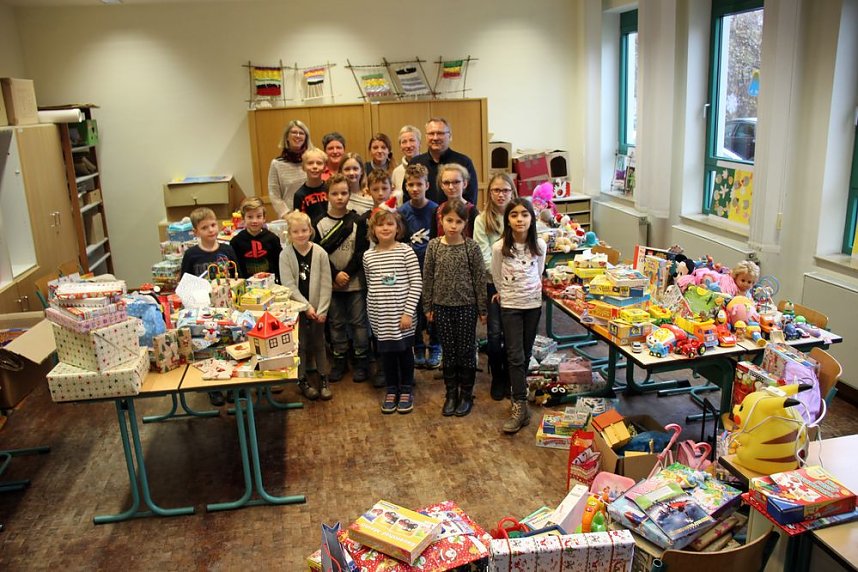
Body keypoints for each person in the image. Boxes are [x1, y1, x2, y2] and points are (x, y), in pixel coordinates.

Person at [423, 200, 487, 417]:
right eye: (449, 220)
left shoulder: (471, 247)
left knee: (466, 351)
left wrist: (482, 309)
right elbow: (428, 277)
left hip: (467, 307)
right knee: (449, 352)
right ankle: (451, 394)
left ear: (465, 223)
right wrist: (428, 305)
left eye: (458, 221)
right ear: (441, 220)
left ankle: (466, 394)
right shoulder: (434, 246)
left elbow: (479, 279)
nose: (453, 225)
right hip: (441, 307)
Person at [491, 198, 546, 434]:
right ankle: (519, 405)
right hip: (511, 305)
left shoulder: (540, 245)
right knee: (514, 355)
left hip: (532, 304)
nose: (520, 219)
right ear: (508, 220)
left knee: (524, 353)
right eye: (514, 215)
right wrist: (504, 294)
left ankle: (520, 400)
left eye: (525, 214)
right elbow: (495, 275)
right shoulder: (499, 247)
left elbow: (540, 271)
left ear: (532, 218)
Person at [363, 208, 422, 414]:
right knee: (386, 356)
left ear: (398, 228)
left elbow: (416, 283)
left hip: (403, 317)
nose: (385, 228)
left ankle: (406, 388)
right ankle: (391, 389)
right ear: (373, 229)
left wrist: (407, 312)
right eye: (380, 224)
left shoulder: (405, 251)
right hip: (381, 318)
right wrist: (373, 318)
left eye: (390, 224)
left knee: (405, 353)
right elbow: (371, 288)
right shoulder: (368, 256)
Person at [179, 207, 239, 407]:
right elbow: (184, 283)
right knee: (208, 346)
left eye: (213, 225)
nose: (211, 230)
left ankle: (233, 386)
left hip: (226, 306)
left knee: (230, 343)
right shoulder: (191, 255)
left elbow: (236, 275)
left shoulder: (227, 250)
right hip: (203, 311)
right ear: (196, 232)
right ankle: (213, 388)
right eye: (205, 227)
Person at [314, 174, 370, 382]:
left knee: (358, 324)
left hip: (354, 282)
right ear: (326, 195)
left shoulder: (357, 221)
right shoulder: (318, 223)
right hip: (331, 284)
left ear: (350, 194)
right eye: (335, 193)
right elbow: (318, 253)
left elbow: (361, 252)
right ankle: (339, 360)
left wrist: (346, 273)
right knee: (336, 324)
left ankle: (361, 361)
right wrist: (335, 274)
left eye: (344, 193)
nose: (340, 198)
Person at [280, 211, 332, 401]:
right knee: (300, 344)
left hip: (319, 309)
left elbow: (326, 284)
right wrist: (306, 306)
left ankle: (324, 377)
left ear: (310, 230)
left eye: (304, 230)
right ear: (289, 233)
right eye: (296, 231)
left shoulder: (320, 253)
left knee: (319, 342)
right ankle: (301, 379)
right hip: (297, 309)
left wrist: (322, 309)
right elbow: (288, 285)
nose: (301, 234)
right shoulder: (285, 255)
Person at [474, 173, 517, 401]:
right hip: (493, 286)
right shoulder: (482, 220)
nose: (501, 195)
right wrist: (501, 277)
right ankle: (497, 374)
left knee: (513, 334)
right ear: (489, 193)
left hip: (517, 287)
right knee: (493, 334)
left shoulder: (519, 216)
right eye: (496, 190)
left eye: (505, 190)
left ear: (512, 192)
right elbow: (484, 254)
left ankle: (512, 375)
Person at [399, 164, 441, 369]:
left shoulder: (436, 210)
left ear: (427, 185)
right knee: (413, 308)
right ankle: (417, 346)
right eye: (411, 184)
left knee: (431, 309)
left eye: (419, 184)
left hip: (431, 269)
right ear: (406, 186)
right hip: (409, 270)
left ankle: (435, 345)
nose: (415, 188)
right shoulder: (402, 212)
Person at [411, 118, 478, 205]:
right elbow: (408, 198)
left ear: (450, 136)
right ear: (426, 137)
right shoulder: (415, 163)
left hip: (455, 217)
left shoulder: (464, 162)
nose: (435, 138)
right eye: (431, 133)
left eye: (440, 133)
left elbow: (470, 199)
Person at [230, 196, 282, 283]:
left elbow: (279, 264)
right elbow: (235, 268)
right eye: (250, 217)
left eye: (258, 216)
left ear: (264, 218)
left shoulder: (273, 239)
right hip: (246, 285)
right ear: (243, 219)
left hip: (270, 284)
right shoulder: (236, 242)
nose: (255, 221)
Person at [268, 120, 312, 218]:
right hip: (289, 218)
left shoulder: (312, 160)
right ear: (287, 137)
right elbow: (274, 194)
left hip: (312, 214)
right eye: (294, 132)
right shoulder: (277, 164)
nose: (298, 135)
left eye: (301, 133)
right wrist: (287, 215)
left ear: (306, 138)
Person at [430, 164, 478, 238]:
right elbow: (432, 239)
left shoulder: (472, 211)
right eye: (446, 183)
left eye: (456, 182)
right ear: (441, 185)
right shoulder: (437, 211)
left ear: (464, 184)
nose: (451, 187)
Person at [292, 148, 329, 223]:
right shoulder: (299, 195)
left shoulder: (330, 189)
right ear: (303, 167)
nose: (315, 166)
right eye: (310, 163)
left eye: (319, 163)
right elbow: (299, 221)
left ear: (325, 167)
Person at [391, 125, 421, 197]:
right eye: (404, 142)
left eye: (412, 140)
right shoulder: (396, 172)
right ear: (400, 146)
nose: (408, 145)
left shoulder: (427, 166)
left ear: (419, 143)